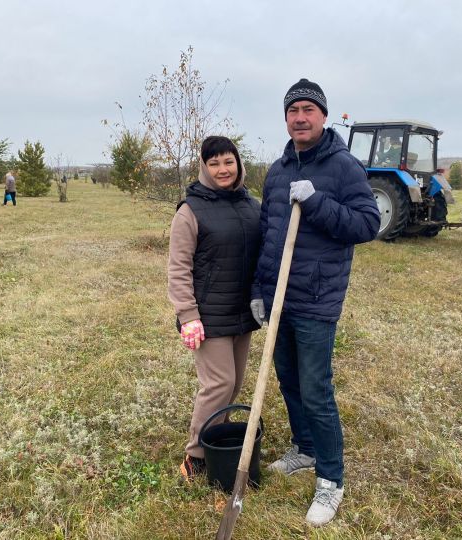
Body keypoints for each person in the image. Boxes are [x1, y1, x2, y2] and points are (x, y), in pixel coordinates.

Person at [251, 79, 380, 526]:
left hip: (317, 298)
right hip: (278, 296)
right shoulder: (276, 170)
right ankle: (304, 448)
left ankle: (331, 480)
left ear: (324, 116)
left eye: (308, 109)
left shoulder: (343, 167)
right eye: (293, 111)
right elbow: (267, 236)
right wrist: (256, 290)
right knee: (288, 379)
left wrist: (318, 200)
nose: (300, 117)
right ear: (285, 119)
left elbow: (367, 224)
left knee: (317, 389)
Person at [168, 136, 262, 482]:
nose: (223, 169)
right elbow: (178, 267)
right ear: (204, 168)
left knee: (233, 384)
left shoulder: (251, 204)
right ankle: (196, 455)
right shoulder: (190, 210)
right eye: (214, 163)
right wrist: (187, 314)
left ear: (238, 164)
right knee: (219, 384)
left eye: (228, 161)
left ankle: (217, 441)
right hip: (207, 317)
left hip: (243, 312)